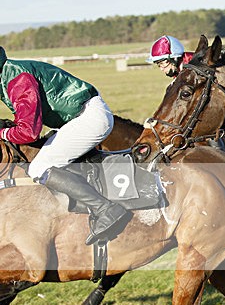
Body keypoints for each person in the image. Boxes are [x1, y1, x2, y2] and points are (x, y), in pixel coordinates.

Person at [0, 46, 129, 244]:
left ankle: (105, 208)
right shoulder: (7, 74)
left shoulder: (17, 78)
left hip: (89, 119)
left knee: (38, 168)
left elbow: (29, 131)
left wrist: (3, 132)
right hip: (79, 118)